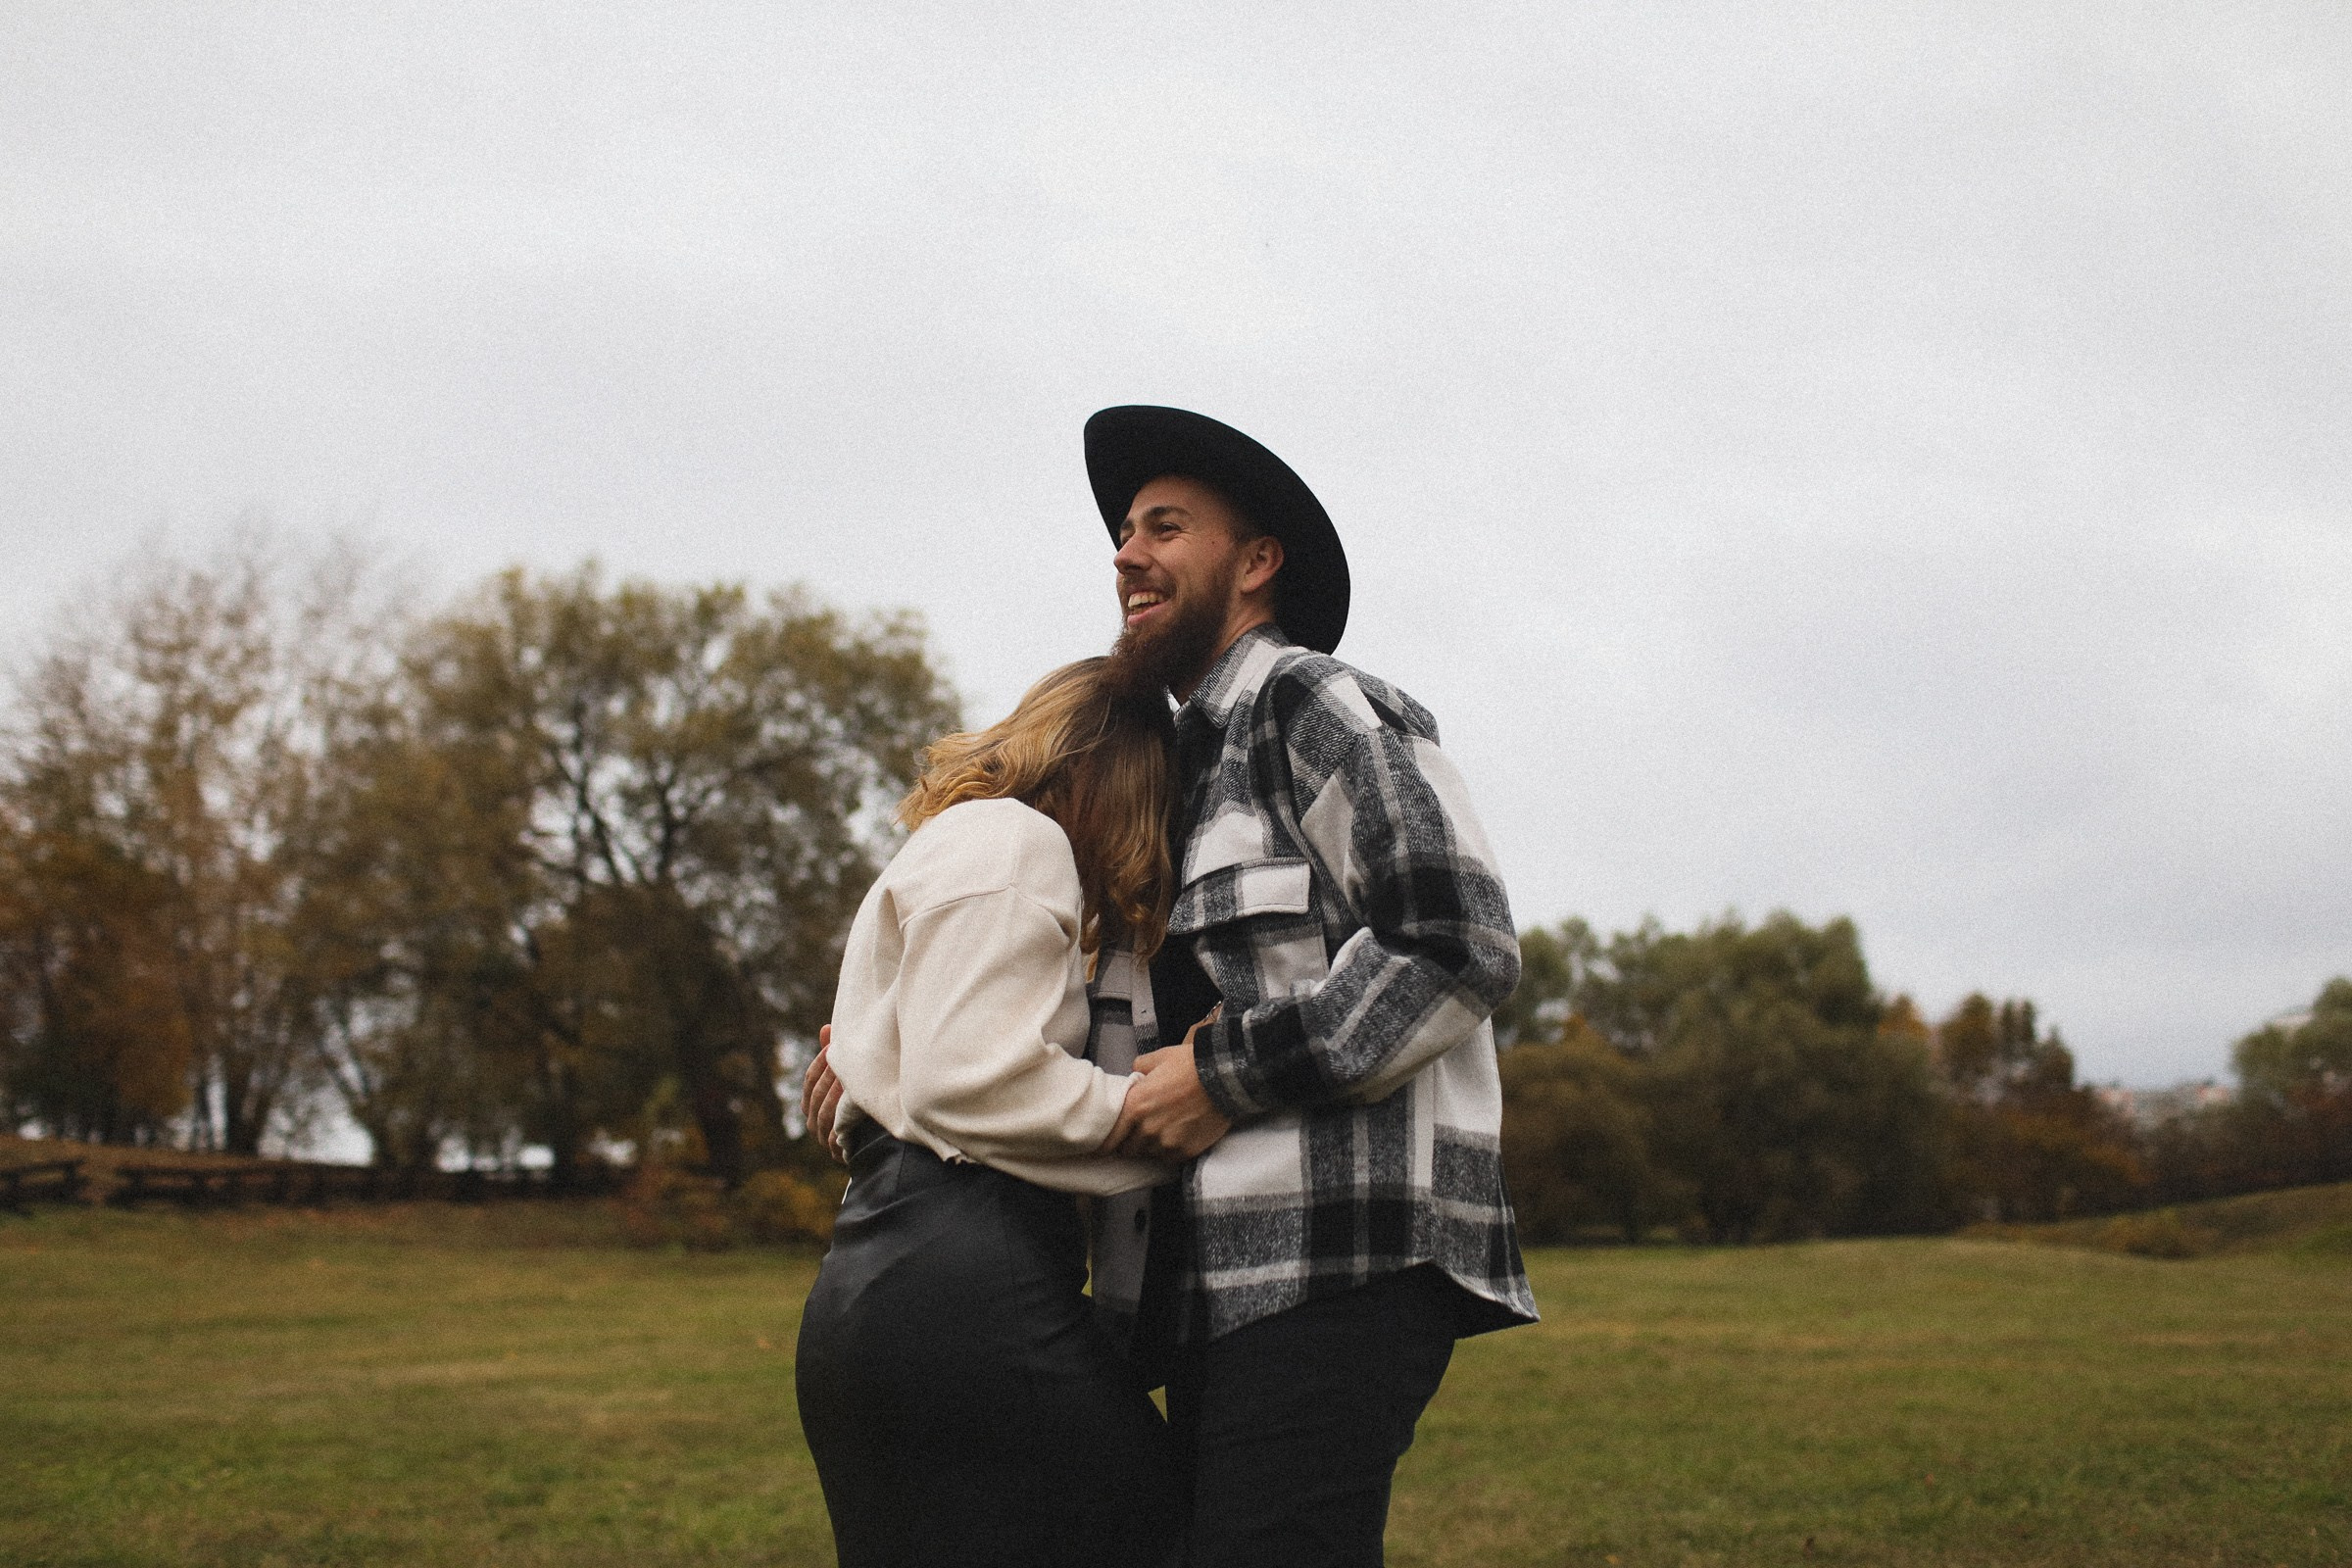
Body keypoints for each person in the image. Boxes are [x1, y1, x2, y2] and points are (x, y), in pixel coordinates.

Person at [1085, 405, 1539, 1567]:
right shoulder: (1172, 773)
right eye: (1125, 530)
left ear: (1256, 562)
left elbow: (1455, 937)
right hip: (1200, 1288)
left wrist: (1228, 1076)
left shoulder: (1310, 704)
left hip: (1335, 1264)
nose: (1126, 553)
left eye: (1165, 526)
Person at [792, 658, 1189, 1568]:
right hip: (972, 1278)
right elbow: (969, 1080)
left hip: (863, 1290)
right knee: (1164, 1535)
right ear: (1113, 775)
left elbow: (916, 1065)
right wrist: (1165, 1117)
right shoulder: (1018, 841)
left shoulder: (947, 843)